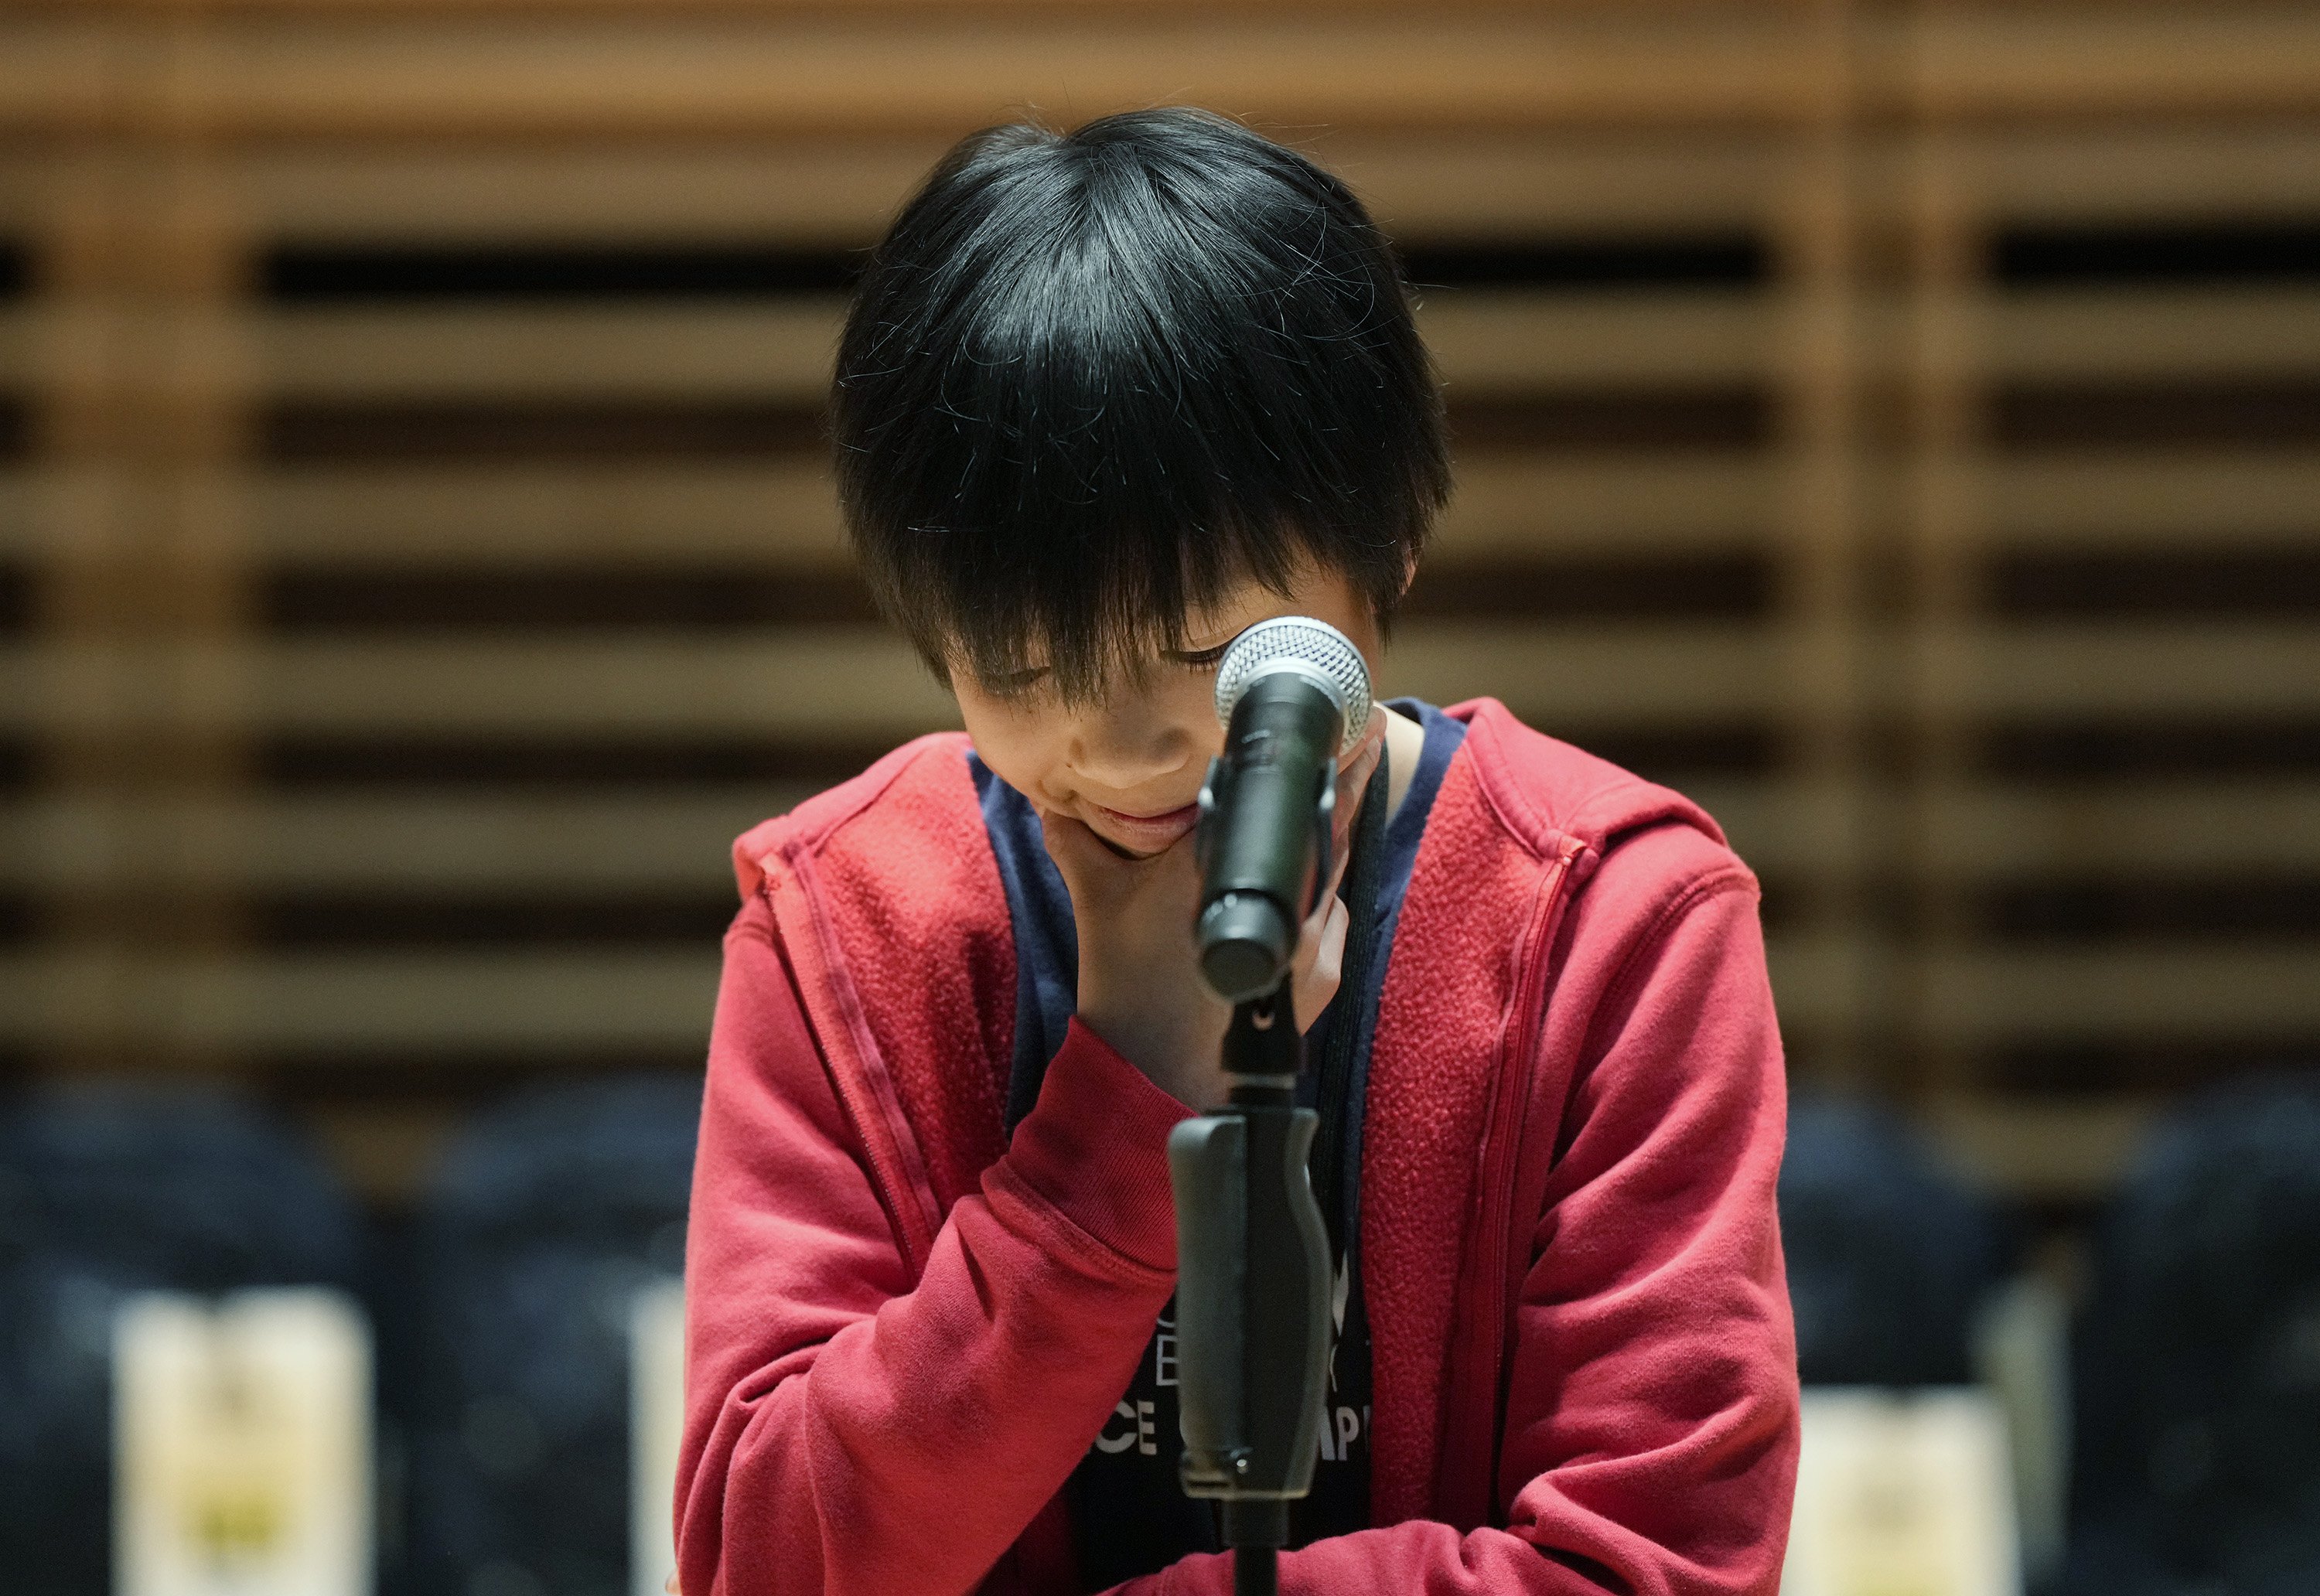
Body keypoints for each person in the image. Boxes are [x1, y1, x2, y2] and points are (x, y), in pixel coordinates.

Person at [674, 108, 1798, 1596]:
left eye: (1208, 652)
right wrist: (1128, 1098)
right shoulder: (850, 922)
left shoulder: (1614, 921)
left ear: (1388, 549)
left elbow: (1656, 1564)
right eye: (1023, 669)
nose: (1123, 748)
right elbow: (763, 1562)